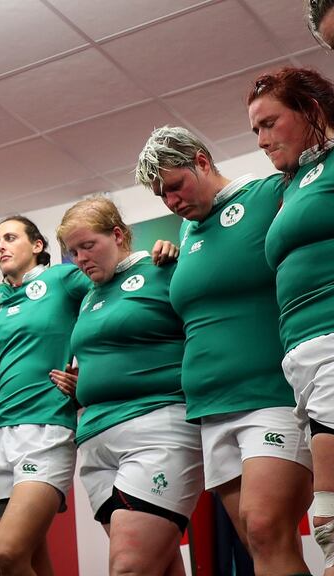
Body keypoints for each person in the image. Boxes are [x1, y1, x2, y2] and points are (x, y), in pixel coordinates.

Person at [135, 126, 314, 575]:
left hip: (271, 395)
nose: (172, 201)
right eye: (161, 195)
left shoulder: (266, 192)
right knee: (262, 544)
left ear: (201, 160)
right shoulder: (188, 231)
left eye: (175, 186)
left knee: (265, 525)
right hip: (211, 408)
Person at [58, 197, 203, 576]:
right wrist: (83, 385)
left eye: (88, 245)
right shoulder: (89, 296)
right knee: (161, 566)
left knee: (129, 568)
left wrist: (177, 253)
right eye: (73, 252)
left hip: (156, 429)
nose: (81, 259)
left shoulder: (162, 269)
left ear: (118, 234)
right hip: (94, 442)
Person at [248, 66, 334, 573]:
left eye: (270, 123)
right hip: (305, 360)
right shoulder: (291, 186)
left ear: (311, 111)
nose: (262, 140)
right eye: (255, 131)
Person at [0, 216, 89, 576]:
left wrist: (86, 375)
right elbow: (2, 359)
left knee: (6, 553)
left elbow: (111, 301)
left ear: (38, 246)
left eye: (10, 238)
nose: (1, 247)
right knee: (30, 559)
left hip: (46, 425)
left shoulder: (63, 279)